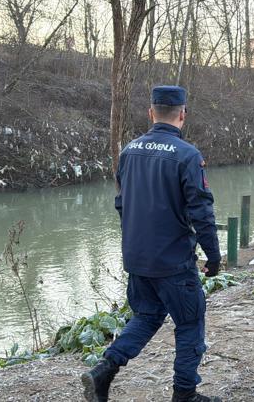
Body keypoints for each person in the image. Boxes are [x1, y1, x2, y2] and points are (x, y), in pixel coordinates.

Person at [81, 86, 222, 402]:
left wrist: (135, 243)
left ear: (151, 112)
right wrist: (213, 256)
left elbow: (122, 204)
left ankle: (104, 370)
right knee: (189, 324)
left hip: (137, 258)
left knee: (146, 316)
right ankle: (184, 394)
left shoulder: (129, 151)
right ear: (183, 113)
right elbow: (201, 212)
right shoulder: (187, 156)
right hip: (173, 263)